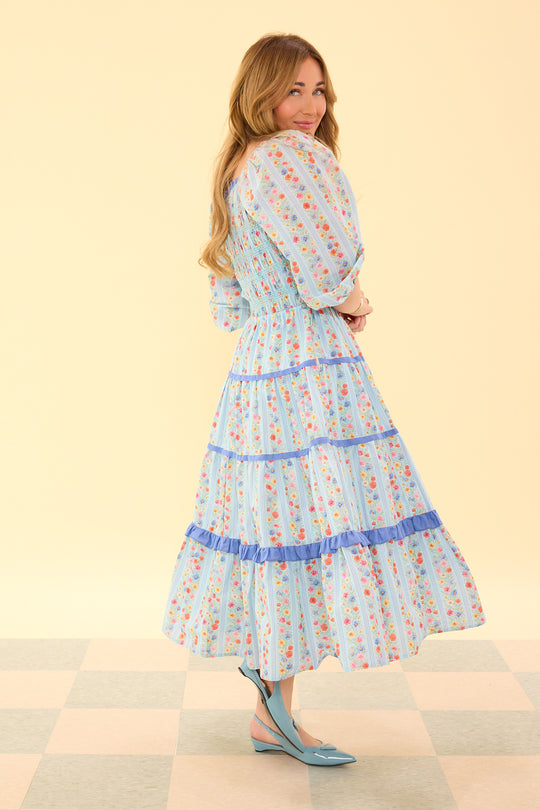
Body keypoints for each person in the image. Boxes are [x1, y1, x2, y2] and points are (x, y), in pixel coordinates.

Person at [162, 32, 486, 766]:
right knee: (315, 520)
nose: (309, 107)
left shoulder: (238, 169)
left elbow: (230, 299)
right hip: (310, 369)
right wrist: (352, 296)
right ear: (260, 92)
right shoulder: (290, 159)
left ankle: (269, 708)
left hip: (259, 370)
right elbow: (324, 267)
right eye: (293, 90)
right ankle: (274, 707)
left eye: (319, 91)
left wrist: (321, 302)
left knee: (283, 528)